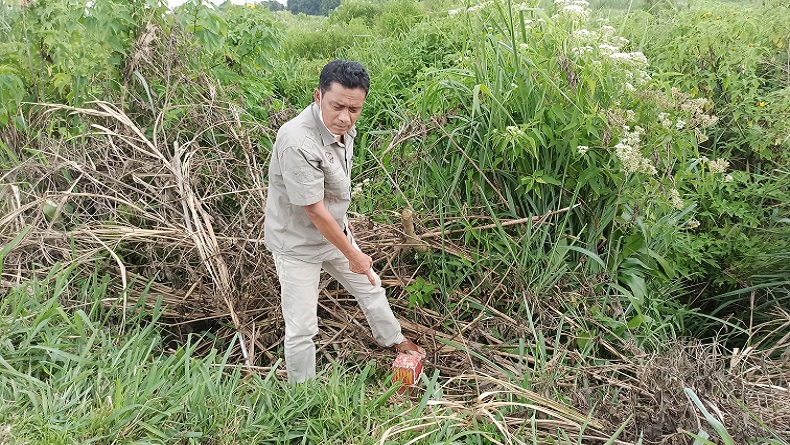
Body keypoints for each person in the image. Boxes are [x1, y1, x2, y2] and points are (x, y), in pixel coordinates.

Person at [264, 60, 426, 383]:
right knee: (302, 328)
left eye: (355, 109)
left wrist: (347, 232)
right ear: (318, 96)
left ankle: (395, 340)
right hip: (296, 243)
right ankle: (302, 397)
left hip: (333, 232)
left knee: (371, 287)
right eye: (337, 106)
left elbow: (331, 198)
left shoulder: (344, 128)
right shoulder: (297, 140)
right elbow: (314, 210)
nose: (345, 117)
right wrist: (354, 254)